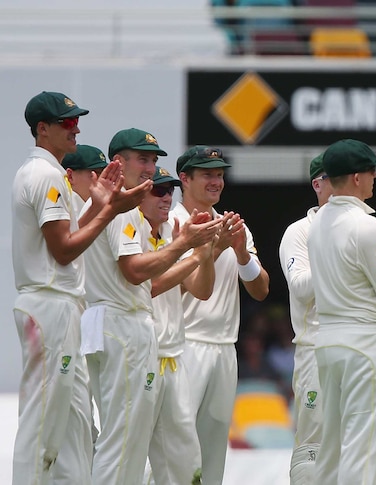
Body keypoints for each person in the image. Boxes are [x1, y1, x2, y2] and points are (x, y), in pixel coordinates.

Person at [11, 92, 148, 485]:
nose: (77, 130)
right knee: (43, 421)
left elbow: (67, 236)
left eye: (76, 122)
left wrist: (101, 203)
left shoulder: (45, 174)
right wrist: (112, 210)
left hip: (61, 305)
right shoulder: (46, 175)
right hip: (50, 303)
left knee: (73, 427)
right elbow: (64, 250)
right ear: (42, 129)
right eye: (67, 124)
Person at [83, 129, 219, 484]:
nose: (150, 169)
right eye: (142, 159)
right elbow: (135, 274)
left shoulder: (112, 203)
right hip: (123, 325)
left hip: (120, 325)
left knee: (133, 445)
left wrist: (195, 252)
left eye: (154, 160)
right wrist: (187, 246)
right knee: (123, 444)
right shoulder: (123, 207)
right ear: (118, 161)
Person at [308, 138, 376, 484]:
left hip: (327, 342)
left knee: (333, 449)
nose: (374, 177)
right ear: (355, 177)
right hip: (366, 344)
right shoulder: (367, 226)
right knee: (363, 450)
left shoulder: (318, 221)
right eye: (371, 170)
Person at [171, 145, 270, 484]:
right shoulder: (173, 222)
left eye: (219, 174)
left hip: (224, 349)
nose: (216, 181)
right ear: (185, 178)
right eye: (207, 175)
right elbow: (186, 283)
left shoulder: (232, 225)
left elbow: (261, 289)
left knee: (213, 453)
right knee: (176, 447)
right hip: (184, 345)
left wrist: (242, 253)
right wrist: (217, 247)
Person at [141, 166, 221, 485]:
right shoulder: (131, 231)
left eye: (169, 190)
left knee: (185, 457)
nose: (166, 197)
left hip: (173, 357)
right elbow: (150, 285)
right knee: (130, 451)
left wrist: (205, 251)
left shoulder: (168, 236)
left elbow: (200, 290)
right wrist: (192, 254)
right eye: (158, 191)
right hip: (142, 356)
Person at [277, 153, 331, 483]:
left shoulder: (367, 227)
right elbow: (300, 288)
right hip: (315, 347)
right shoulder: (299, 231)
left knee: (358, 445)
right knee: (313, 444)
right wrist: (337, 255)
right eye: (335, 177)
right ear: (318, 184)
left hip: (361, 346)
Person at [61, 144, 108, 214]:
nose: (102, 179)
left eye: (104, 174)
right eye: (95, 174)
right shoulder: (60, 208)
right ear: (70, 176)